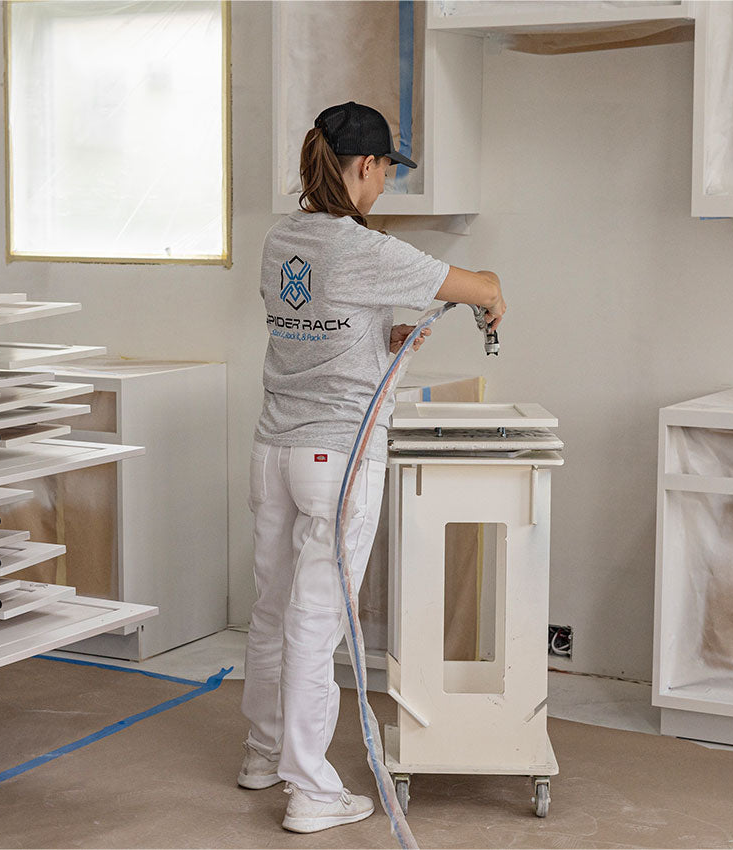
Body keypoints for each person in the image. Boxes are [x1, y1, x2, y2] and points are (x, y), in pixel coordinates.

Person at [240, 101, 507, 834]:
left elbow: (316, 335)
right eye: (386, 169)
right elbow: (479, 285)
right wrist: (494, 296)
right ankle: (310, 787)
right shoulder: (363, 248)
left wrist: (385, 341)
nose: (386, 184)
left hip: (274, 450)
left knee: (272, 609)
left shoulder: (282, 240)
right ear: (365, 166)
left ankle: (262, 753)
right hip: (336, 457)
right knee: (315, 620)